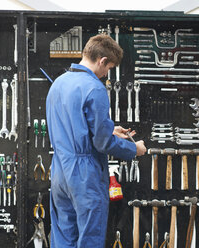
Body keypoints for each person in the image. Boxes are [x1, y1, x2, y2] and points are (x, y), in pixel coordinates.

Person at [46, 34, 147, 248]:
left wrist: (110, 129)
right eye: (108, 68)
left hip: (59, 170)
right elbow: (102, 144)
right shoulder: (95, 88)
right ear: (102, 61)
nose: (105, 73)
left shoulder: (58, 84)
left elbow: (75, 127)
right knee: (90, 238)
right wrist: (132, 149)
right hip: (85, 175)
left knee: (64, 236)